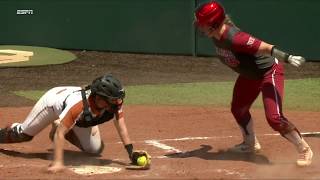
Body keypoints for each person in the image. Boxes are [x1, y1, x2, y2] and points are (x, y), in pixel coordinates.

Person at [194, 1, 312, 167]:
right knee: (238, 108)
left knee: (274, 118)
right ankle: (250, 144)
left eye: (202, 23)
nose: (199, 26)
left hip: (269, 71)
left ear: (213, 23)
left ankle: (304, 149)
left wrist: (288, 57)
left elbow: (264, 47)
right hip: (250, 75)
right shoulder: (216, 36)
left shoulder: (235, 38)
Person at [0, 73, 148, 172]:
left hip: (73, 110)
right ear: (99, 98)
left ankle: (62, 123)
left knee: (94, 149)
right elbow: (60, 134)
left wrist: (131, 154)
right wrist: (58, 162)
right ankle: (52, 123)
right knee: (24, 135)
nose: (116, 102)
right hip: (52, 103)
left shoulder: (112, 104)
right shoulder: (79, 107)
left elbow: (121, 127)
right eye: (112, 99)